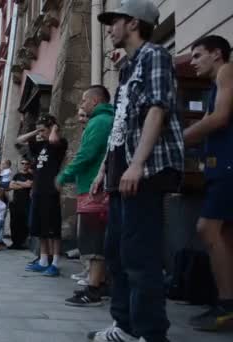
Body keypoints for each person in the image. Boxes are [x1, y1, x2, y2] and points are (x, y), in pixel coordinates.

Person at [89, 2, 185, 341]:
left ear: (132, 23)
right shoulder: (129, 67)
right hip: (122, 172)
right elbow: (122, 123)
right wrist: (105, 169)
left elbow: (157, 109)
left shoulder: (155, 56)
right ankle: (126, 326)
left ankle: (151, 333)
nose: (109, 28)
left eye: (113, 21)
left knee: (140, 256)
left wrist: (138, 164)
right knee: (117, 253)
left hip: (146, 170)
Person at [183, 35, 233, 331]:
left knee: (207, 228)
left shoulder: (228, 71)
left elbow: (220, 118)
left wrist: (180, 138)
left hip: (228, 168)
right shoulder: (214, 86)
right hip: (220, 168)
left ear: (217, 54)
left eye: (198, 55)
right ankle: (226, 303)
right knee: (225, 236)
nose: (193, 62)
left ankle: (226, 305)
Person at [55, 85, 114, 307]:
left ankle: (94, 290)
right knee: (94, 239)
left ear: (95, 101)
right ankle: (99, 284)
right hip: (93, 187)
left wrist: (64, 175)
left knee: (94, 241)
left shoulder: (99, 122)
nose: (81, 105)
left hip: (94, 189)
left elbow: (86, 154)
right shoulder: (104, 120)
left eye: (83, 101)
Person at [18, 115, 68, 276]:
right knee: (40, 228)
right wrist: (36, 131)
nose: (42, 133)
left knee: (52, 228)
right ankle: (43, 260)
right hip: (38, 190)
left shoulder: (59, 143)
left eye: (43, 130)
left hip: (50, 190)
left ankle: (54, 263)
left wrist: (54, 128)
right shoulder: (39, 145)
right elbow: (19, 141)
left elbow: (53, 140)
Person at [7, 158, 33, 250]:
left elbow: (29, 185)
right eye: (23, 163)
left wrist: (17, 183)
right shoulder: (16, 175)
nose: (24, 165)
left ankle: (21, 243)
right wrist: (23, 184)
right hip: (16, 202)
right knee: (14, 223)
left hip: (26, 202)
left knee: (23, 223)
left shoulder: (31, 175)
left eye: (26, 163)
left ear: (29, 165)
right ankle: (15, 243)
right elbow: (10, 186)